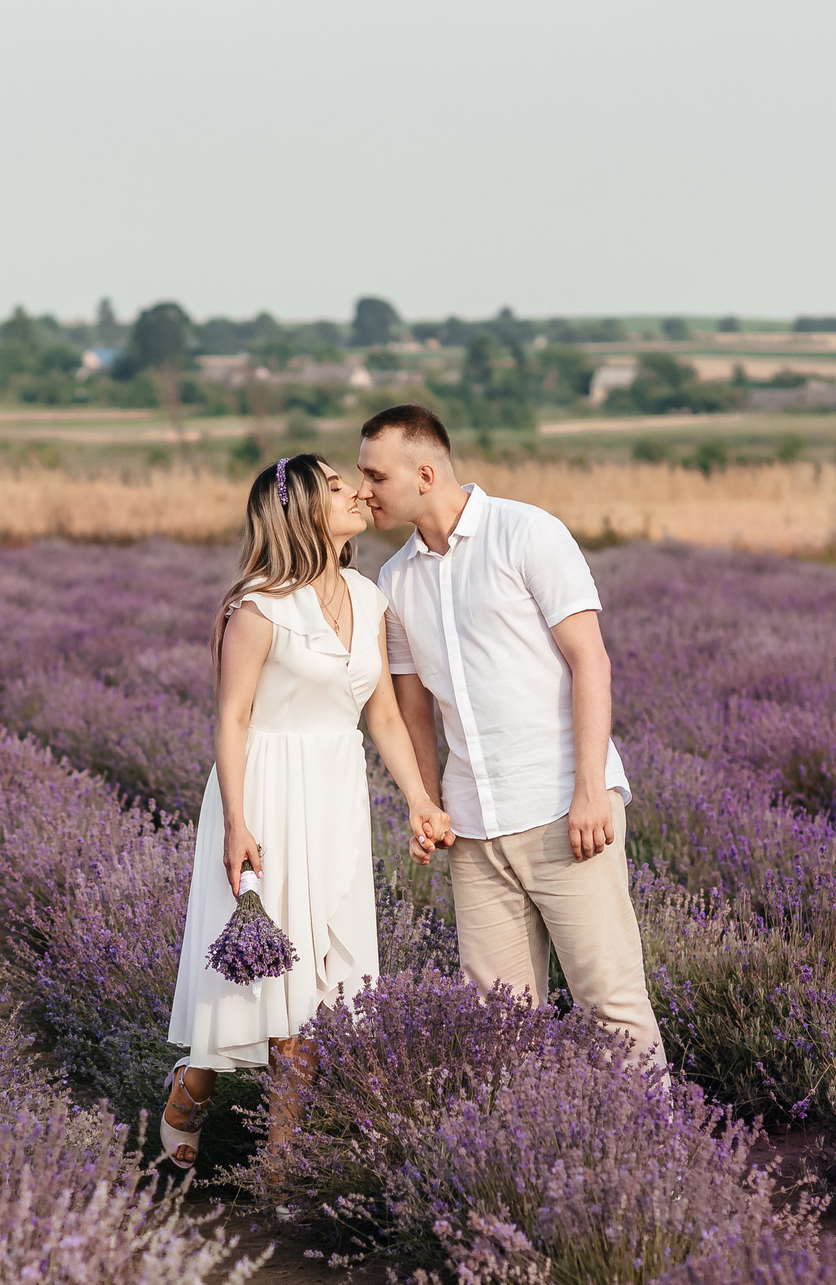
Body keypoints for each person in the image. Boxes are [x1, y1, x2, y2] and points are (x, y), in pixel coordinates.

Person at [353, 404, 667, 1069]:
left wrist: (590, 789)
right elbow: (414, 710)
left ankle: (657, 1134)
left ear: (425, 473)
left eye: (375, 476)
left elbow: (591, 661)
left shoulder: (528, 533)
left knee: (610, 1005)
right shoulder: (396, 579)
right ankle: (531, 1141)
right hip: (473, 830)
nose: (364, 490)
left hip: (563, 810)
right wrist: (428, 804)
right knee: (498, 1025)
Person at [161, 454, 452, 1167]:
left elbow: (383, 716)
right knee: (256, 973)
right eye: (336, 486)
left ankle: (279, 1166)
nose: (356, 492)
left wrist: (419, 798)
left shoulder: (369, 597)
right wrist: (237, 822)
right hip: (264, 794)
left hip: (334, 798)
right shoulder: (258, 608)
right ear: (301, 513)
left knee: (318, 985)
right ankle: (193, 1087)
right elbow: (232, 719)